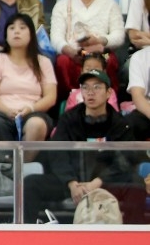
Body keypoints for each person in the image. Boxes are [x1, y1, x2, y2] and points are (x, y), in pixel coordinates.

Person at [24, 69, 147, 223]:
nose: (90, 92)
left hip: (105, 183)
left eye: (97, 87)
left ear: (109, 93)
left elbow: (125, 159)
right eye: (85, 87)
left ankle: (133, 238)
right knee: (31, 183)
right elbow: (57, 154)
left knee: (136, 184)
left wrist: (98, 182)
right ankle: (28, 237)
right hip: (73, 185)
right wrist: (71, 183)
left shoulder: (120, 124)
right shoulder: (68, 120)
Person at [0, 13, 58, 142]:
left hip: (34, 111)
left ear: (31, 34)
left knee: (37, 125)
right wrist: (7, 111)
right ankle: (6, 161)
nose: (16, 31)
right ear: (6, 35)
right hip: (1, 112)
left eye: (22, 28)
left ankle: (25, 161)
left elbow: (50, 97)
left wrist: (31, 109)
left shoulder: (44, 62)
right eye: (11, 28)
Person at [51, 0, 125, 93]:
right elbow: (56, 38)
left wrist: (100, 41)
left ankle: (108, 97)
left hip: (102, 53)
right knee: (62, 61)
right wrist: (71, 51)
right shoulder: (61, 5)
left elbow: (119, 35)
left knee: (111, 59)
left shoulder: (110, 4)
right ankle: (71, 97)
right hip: (73, 54)